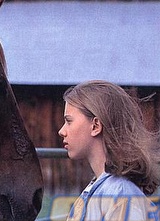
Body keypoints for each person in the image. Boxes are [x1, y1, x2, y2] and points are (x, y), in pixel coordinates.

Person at [58, 80, 160, 220]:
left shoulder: (122, 195)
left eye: (69, 121)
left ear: (95, 126)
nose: (61, 131)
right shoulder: (97, 190)